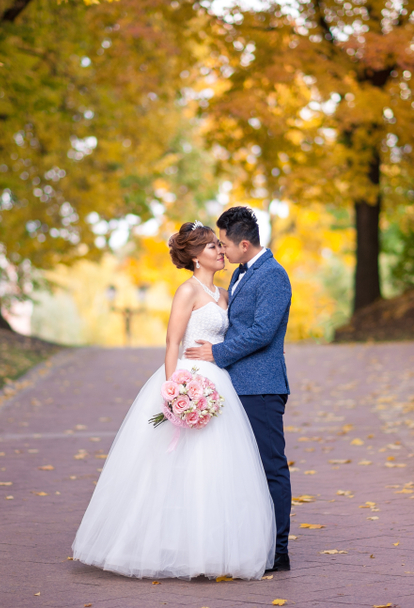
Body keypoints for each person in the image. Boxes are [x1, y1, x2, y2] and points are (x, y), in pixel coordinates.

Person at [72, 221, 275, 580]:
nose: (220, 251)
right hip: (187, 378)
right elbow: (172, 343)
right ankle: (163, 545)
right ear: (197, 258)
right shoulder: (187, 291)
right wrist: (175, 390)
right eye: (213, 247)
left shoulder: (225, 295)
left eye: (219, 245)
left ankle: (211, 548)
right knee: (173, 467)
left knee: (216, 468)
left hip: (219, 387)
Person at [184, 206, 293, 573]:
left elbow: (262, 333)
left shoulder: (274, 276)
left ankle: (278, 551)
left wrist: (216, 353)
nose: (222, 251)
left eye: (225, 244)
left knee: (270, 468)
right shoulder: (240, 276)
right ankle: (251, 544)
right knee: (243, 471)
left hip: (261, 387)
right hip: (234, 386)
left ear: (244, 244)